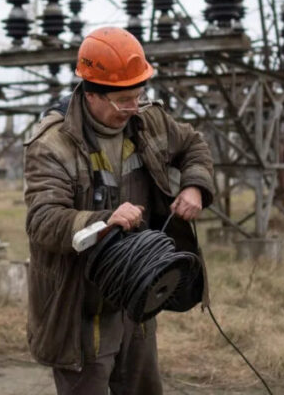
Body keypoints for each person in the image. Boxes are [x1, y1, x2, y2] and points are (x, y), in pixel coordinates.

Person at [24, 26, 215, 395]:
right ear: (91, 94)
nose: (132, 108)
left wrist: (195, 186)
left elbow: (194, 144)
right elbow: (41, 221)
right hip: (80, 304)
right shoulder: (52, 145)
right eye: (122, 100)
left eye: (138, 95)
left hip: (137, 292)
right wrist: (102, 221)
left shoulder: (147, 121)